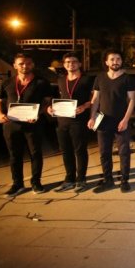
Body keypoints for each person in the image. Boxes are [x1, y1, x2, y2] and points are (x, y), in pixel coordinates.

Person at [0, 53, 51, 196]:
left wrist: (38, 113)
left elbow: (47, 102)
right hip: (11, 124)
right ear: (15, 65)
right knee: (14, 155)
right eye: (21, 63)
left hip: (33, 124)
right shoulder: (6, 82)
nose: (25, 66)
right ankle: (17, 184)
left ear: (33, 65)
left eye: (28, 63)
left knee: (35, 153)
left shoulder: (42, 82)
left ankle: (36, 182)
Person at [87, 49, 135, 193]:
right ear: (106, 62)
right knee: (104, 153)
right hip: (103, 121)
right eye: (112, 59)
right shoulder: (100, 78)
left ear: (121, 61)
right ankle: (108, 180)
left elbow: (132, 100)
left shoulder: (127, 79)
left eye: (118, 59)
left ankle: (124, 181)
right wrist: (92, 117)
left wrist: (125, 120)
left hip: (121, 121)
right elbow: (95, 99)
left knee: (124, 152)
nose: (115, 62)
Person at [47, 52, 93, 193]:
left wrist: (84, 106)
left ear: (79, 64)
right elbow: (58, 98)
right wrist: (50, 108)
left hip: (79, 121)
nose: (70, 64)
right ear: (64, 64)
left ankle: (81, 179)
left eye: (74, 61)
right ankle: (69, 179)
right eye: (67, 62)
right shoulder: (61, 80)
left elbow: (95, 99)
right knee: (66, 151)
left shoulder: (87, 79)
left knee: (80, 150)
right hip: (62, 120)